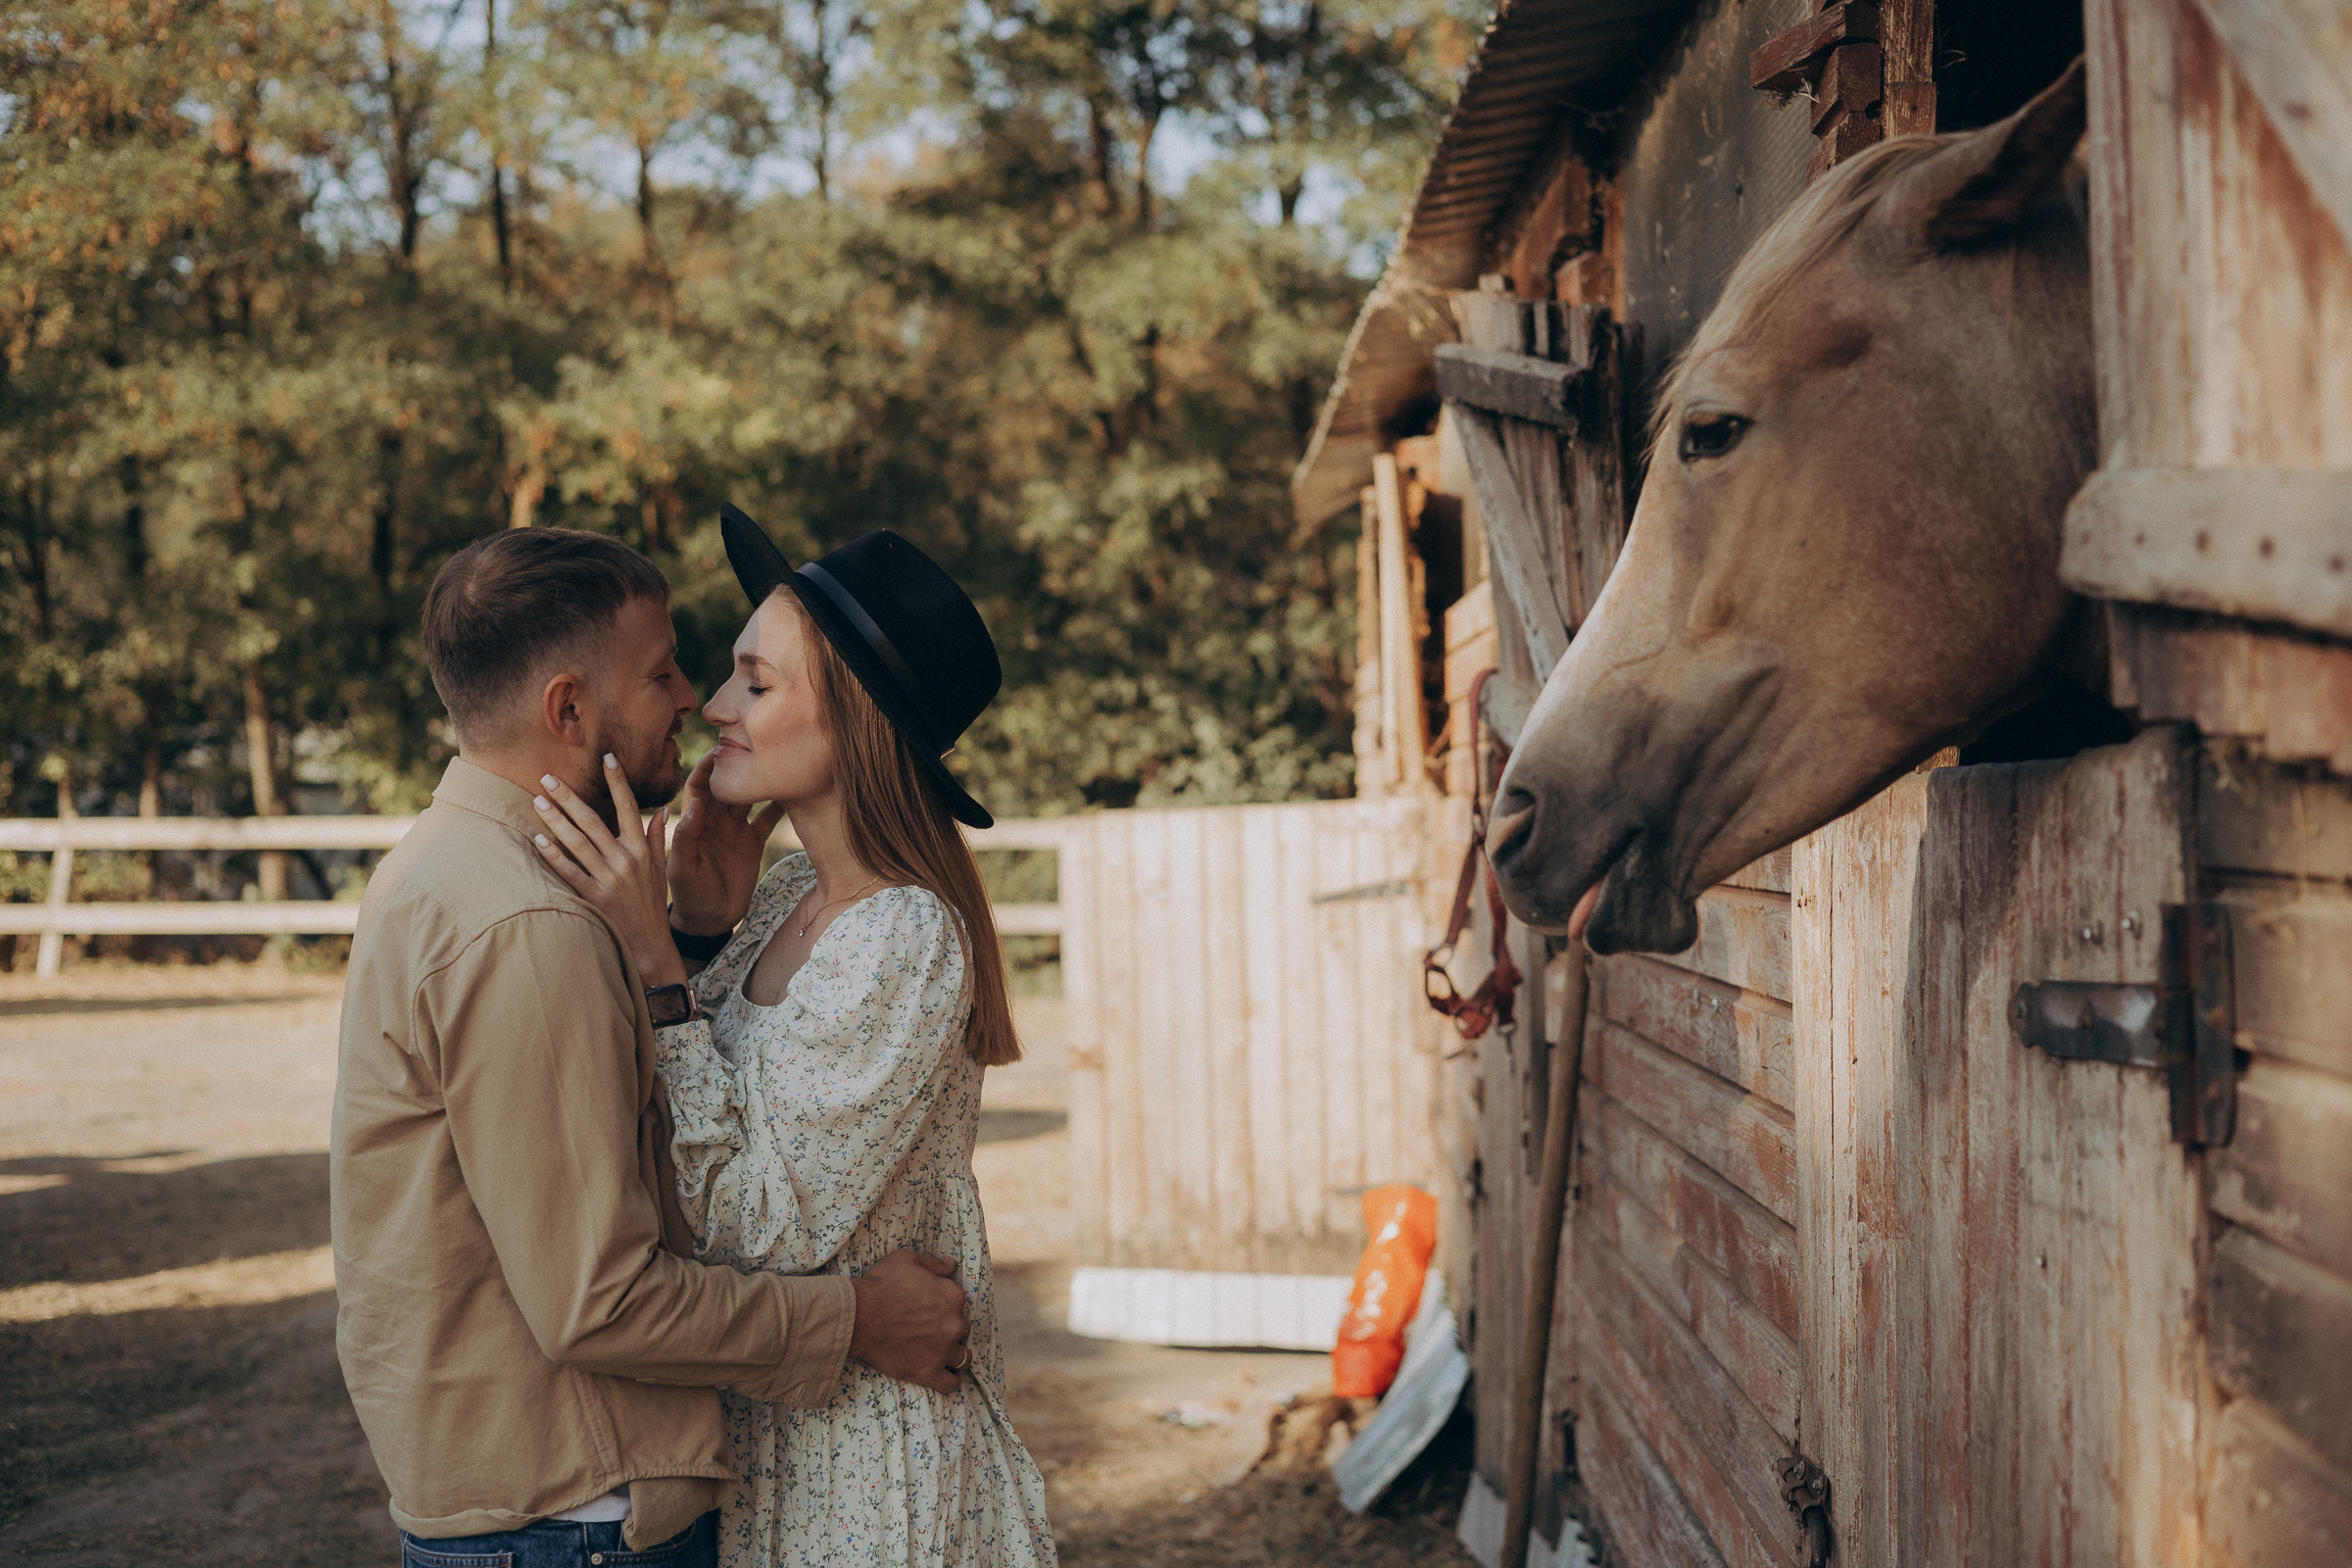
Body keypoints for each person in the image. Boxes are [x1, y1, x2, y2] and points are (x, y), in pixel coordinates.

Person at [333, 527, 970, 1568]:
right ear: (568, 710)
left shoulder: (461, 867)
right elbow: (604, 1295)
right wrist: (857, 1320)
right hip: (576, 1507)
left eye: (747, 679)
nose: (698, 699)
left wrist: (690, 941)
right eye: (665, 671)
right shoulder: (529, 923)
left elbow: (647, 1137)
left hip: (600, 1492)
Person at [527, 507, 1057, 1567]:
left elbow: (755, 1228)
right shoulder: (783, 899)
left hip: (865, 1471)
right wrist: (699, 929)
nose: (715, 706)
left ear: (853, 721)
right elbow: (689, 1139)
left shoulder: (903, 936)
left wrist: (657, 963)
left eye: (756, 684)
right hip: (772, 1436)